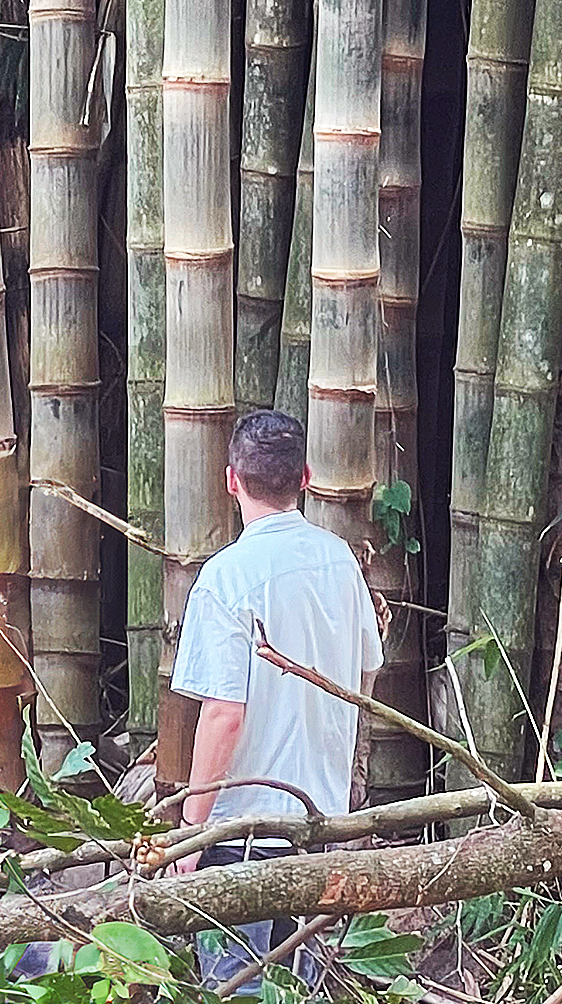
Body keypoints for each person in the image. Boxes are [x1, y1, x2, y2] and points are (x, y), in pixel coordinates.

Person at [170, 410, 383, 991]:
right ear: (306, 478)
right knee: (305, 990)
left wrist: (192, 828)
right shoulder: (339, 559)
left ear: (230, 481)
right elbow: (366, 674)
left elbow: (222, 715)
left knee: (232, 988)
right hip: (321, 817)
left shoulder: (225, 578)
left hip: (241, 833)